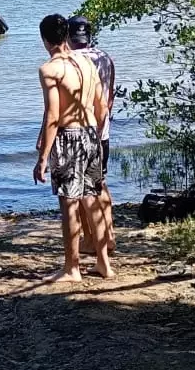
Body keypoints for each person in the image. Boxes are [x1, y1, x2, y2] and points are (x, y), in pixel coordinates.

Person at [34, 14, 114, 282]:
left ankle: (72, 268)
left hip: (68, 136)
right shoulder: (86, 63)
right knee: (92, 199)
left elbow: (53, 116)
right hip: (91, 132)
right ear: (66, 35)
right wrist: (95, 132)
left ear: (45, 40)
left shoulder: (50, 69)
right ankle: (104, 264)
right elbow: (101, 106)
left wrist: (43, 157)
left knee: (69, 203)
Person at [67, 15, 116, 255]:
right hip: (102, 130)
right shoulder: (105, 57)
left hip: (80, 131)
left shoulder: (71, 60)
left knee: (80, 191)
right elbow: (109, 97)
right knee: (100, 183)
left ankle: (90, 240)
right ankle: (109, 236)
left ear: (68, 37)